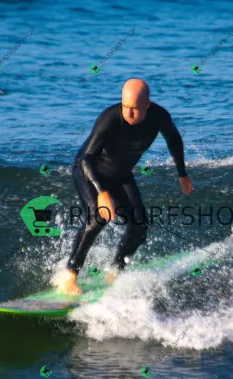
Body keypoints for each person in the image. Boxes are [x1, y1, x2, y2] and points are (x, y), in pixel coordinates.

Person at [56, 78, 193, 295]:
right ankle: (69, 276)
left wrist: (182, 174)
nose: (128, 113)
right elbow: (86, 159)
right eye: (125, 106)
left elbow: (174, 140)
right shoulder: (110, 118)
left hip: (120, 173)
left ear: (147, 105)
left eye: (135, 109)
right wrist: (102, 192)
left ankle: (114, 271)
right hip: (89, 171)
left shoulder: (159, 116)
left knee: (139, 226)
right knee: (97, 218)